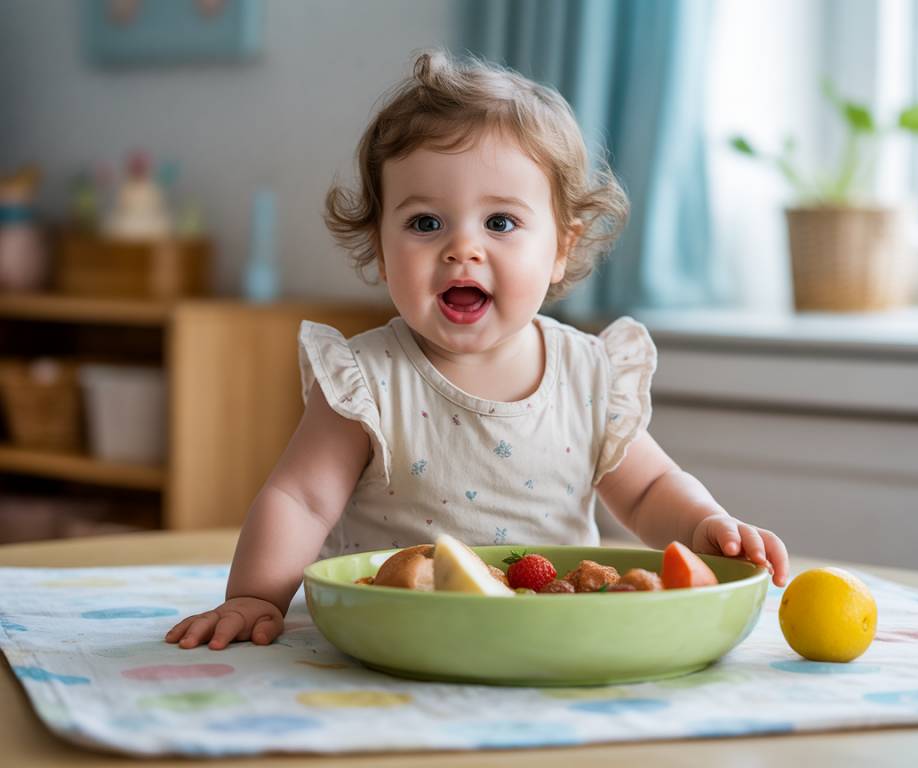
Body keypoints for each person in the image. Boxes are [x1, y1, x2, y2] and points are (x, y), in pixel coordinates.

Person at [166, 50, 789, 651]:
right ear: (381, 250)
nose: (462, 249)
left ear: (561, 249)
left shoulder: (589, 373)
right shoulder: (369, 378)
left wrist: (702, 524)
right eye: (425, 223)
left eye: (500, 223)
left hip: (551, 634)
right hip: (403, 635)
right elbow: (299, 500)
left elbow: (650, 488)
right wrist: (254, 597)